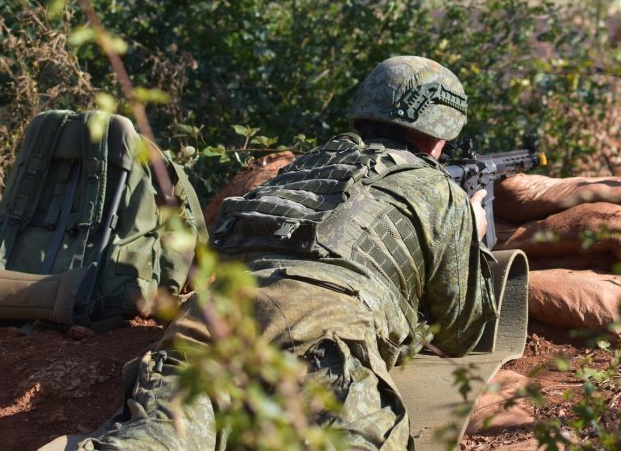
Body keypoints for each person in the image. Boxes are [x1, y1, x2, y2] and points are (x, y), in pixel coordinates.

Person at [73, 55, 497, 450]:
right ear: (438, 133)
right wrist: (471, 233)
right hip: (321, 331)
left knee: (153, 438)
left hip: (212, 321)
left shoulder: (307, 166)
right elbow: (461, 332)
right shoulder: (437, 189)